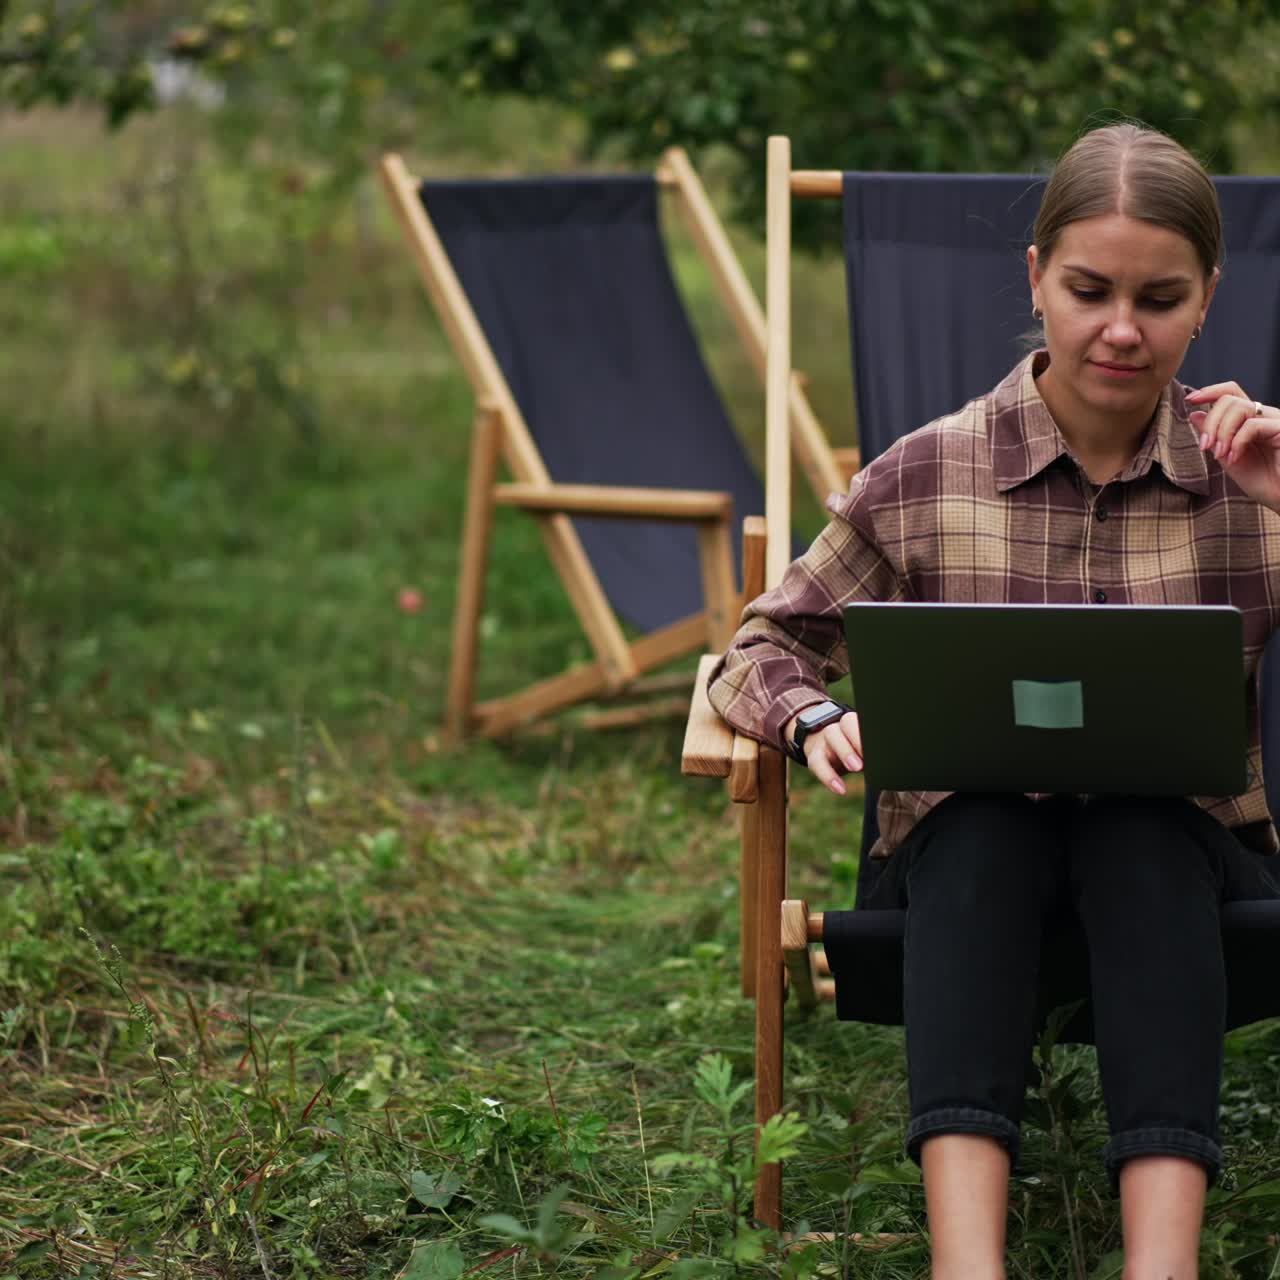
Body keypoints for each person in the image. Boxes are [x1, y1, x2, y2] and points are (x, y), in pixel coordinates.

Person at [708, 122, 1280, 1279]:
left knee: (1137, 829)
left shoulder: (1245, 480)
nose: (1120, 328)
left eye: (1158, 297)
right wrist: (811, 715)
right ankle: (963, 1266)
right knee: (976, 830)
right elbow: (762, 640)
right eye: (1087, 290)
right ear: (1034, 277)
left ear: (1206, 299)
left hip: (1178, 859)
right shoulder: (923, 473)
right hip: (957, 860)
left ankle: (1156, 1267)